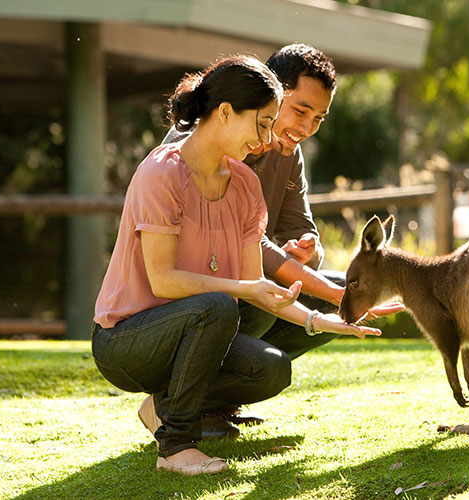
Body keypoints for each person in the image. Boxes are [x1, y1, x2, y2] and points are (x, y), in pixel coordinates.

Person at [91, 56, 380, 476]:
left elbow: (257, 283)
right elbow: (165, 281)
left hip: (195, 319)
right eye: (262, 124)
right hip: (126, 339)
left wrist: (319, 320)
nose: (267, 139)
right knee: (220, 305)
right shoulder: (161, 173)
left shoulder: (244, 185)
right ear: (225, 113)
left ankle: (166, 408)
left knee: (271, 367)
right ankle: (175, 448)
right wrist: (245, 290)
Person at [161, 44, 403, 422]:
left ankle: (214, 400)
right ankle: (175, 399)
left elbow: (302, 233)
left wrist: (304, 254)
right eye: (300, 111)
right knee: (288, 300)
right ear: (272, 93)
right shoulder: (205, 144)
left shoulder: (289, 154)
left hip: (244, 287)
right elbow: (250, 246)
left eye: (319, 118)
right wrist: (327, 288)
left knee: (330, 297)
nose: (306, 129)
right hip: (187, 302)